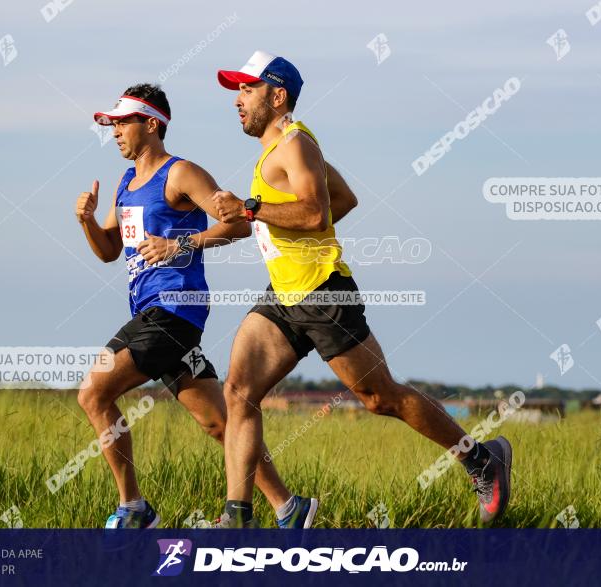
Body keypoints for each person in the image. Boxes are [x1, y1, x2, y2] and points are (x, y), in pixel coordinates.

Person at [211, 51, 512, 528]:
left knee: (380, 398)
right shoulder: (275, 152)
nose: (237, 100)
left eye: (246, 89)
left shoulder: (295, 144)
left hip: (324, 294)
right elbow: (343, 200)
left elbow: (315, 213)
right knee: (238, 392)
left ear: (278, 95)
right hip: (285, 295)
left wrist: (252, 209)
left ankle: (481, 460)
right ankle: (240, 517)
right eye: (237, 91)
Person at [75, 82, 358, 528]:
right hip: (150, 312)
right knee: (221, 425)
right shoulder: (126, 183)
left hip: (172, 311)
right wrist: (88, 221)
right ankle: (289, 506)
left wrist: (178, 245)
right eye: (111, 123)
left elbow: (238, 225)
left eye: (122, 121)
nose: (114, 131)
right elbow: (109, 250)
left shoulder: (181, 173)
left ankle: (134, 509)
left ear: (151, 124)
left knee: (93, 392)